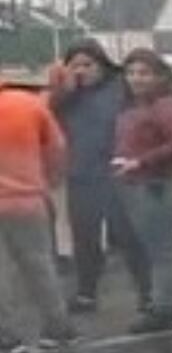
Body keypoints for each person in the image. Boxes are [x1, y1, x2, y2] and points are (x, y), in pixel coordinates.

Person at [48, 39, 149, 315]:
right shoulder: (65, 96)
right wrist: (61, 90)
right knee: (85, 239)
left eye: (88, 65)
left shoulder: (120, 89)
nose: (82, 71)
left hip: (118, 174)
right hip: (81, 174)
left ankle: (147, 293)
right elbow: (45, 120)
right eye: (75, 66)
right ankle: (86, 294)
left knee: (129, 236)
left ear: (102, 65)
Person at [113, 49, 172, 333]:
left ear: (159, 76)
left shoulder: (164, 105)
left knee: (162, 253)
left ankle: (163, 309)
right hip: (139, 184)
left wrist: (140, 161)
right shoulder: (133, 106)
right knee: (163, 250)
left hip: (156, 186)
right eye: (132, 73)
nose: (137, 79)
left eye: (144, 73)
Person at [0, 68, 77, 353]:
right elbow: (57, 147)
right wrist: (50, 180)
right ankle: (58, 328)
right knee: (40, 266)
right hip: (29, 200)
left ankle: (7, 336)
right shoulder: (27, 104)